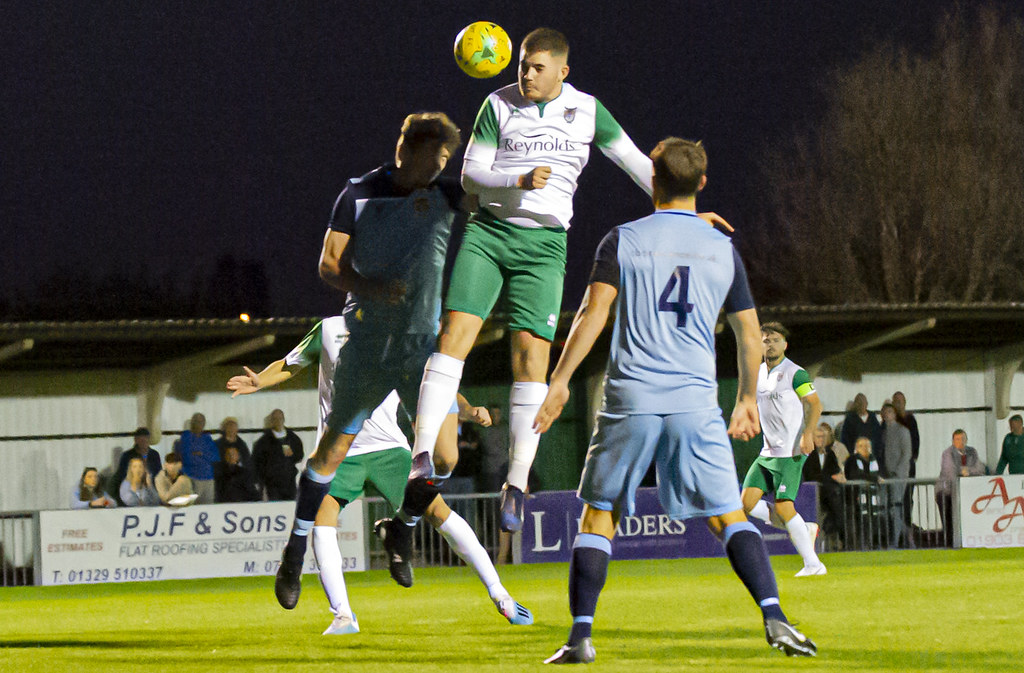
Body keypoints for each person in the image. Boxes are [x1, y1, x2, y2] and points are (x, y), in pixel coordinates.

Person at [409, 28, 732, 534]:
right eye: (522, 65)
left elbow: (635, 163)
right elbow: (471, 176)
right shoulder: (497, 105)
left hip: (544, 246)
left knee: (531, 357)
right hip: (488, 234)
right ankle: (422, 457)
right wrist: (516, 180)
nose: (526, 74)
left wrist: (687, 214)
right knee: (453, 337)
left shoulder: (587, 110)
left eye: (537, 67)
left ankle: (516, 482)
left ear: (563, 70)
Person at [533, 138, 815, 662]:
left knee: (599, 517)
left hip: (632, 397)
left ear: (653, 180)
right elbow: (751, 336)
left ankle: (580, 638)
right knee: (730, 515)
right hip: (695, 401)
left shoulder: (623, 239)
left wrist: (560, 378)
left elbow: (593, 315)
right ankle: (775, 617)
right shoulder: (721, 248)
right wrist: (748, 397)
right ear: (701, 184)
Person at [227, 316, 532, 631]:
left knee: (439, 512)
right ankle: (343, 615)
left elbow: (436, 384)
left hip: (388, 449)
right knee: (323, 521)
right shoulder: (330, 329)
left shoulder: (401, 334)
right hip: (339, 449)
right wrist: (260, 380)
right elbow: (292, 362)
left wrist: (467, 411)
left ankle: (501, 596)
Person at [274, 112, 467, 601]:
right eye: (439, 156)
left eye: (448, 159)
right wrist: (370, 288)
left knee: (445, 457)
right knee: (331, 454)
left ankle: (400, 526)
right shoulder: (358, 193)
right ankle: (295, 549)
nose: (443, 165)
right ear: (414, 149)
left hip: (421, 351)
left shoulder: (447, 194)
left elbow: (497, 200)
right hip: (368, 347)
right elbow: (328, 265)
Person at [740, 321, 825, 576]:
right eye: (765, 339)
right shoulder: (759, 374)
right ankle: (804, 527)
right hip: (767, 453)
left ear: (785, 345)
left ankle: (813, 564)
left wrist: (808, 434)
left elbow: (815, 404)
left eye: (775, 339)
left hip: (790, 452)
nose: (770, 343)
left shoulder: (795, 373)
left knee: (784, 507)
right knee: (745, 503)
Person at [935, 429, 986, 546]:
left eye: (963, 439)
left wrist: (968, 470)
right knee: (949, 520)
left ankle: (964, 543)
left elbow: (980, 468)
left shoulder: (972, 452)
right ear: (953, 441)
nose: (961, 442)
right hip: (946, 492)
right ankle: (949, 545)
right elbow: (949, 471)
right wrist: (962, 471)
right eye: (957, 439)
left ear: (966, 440)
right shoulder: (947, 453)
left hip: (965, 492)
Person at [802, 423, 846, 547]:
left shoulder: (830, 453)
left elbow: (835, 470)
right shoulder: (808, 454)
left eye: (823, 437)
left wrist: (838, 476)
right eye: (818, 437)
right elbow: (811, 474)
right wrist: (831, 477)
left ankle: (837, 539)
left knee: (836, 511)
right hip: (813, 494)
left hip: (828, 493)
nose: (821, 439)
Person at [252, 409, 304, 500]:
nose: (278, 421)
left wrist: (293, 454)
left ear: (284, 420)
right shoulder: (263, 441)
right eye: (275, 419)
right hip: (272, 485)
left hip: (289, 482)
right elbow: (257, 462)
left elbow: (300, 456)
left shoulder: (293, 438)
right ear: (271, 421)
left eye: (280, 418)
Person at [879, 403, 911, 547]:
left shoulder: (903, 431)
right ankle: (907, 537)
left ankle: (897, 540)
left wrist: (898, 472)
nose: (887, 415)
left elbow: (906, 454)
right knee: (886, 509)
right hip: (885, 476)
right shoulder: (883, 432)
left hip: (898, 476)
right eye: (885, 412)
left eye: (890, 412)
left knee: (895, 509)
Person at [843, 437, 882, 550]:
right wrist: (873, 478)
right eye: (861, 446)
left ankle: (869, 545)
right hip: (854, 498)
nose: (865, 448)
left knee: (870, 522)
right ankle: (855, 547)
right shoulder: (851, 460)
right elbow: (854, 475)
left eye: (867, 446)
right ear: (856, 448)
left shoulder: (874, 460)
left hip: (871, 498)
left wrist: (872, 479)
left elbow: (877, 474)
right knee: (856, 523)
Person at [111, 427, 162, 506]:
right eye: (141, 440)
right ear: (136, 440)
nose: (143, 442)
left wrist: (150, 484)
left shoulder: (154, 454)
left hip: (150, 487)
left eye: (145, 439)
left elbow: (158, 473)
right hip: (133, 487)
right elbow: (121, 475)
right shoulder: (127, 455)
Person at [176, 413, 220, 504]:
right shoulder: (186, 438)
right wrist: (205, 456)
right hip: (192, 477)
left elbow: (216, 457)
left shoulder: (207, 438)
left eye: (202, 422)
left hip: (208, 478)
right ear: (192, 423)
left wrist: (201, 454)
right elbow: (188, 459)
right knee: (193, 507)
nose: (200, 424)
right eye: (197, 421)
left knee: (209, 507)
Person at [891, 391, 920, 526]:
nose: (898, 404)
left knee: (908, 497)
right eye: (896, 401)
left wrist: (911, 458)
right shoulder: (890, 422)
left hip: (908, 465)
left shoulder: (911, 420)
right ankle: (896, 526)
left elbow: (916, 441)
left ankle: (907, 526)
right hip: (893, 466)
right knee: (895, 498)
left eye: (900, 401)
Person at [840, 393, 883, 474]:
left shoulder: (872, 418)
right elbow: (845, 439)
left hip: (872, 458)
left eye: (863, 402)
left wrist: (877, 453)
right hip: (855, 459)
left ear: (867, 404)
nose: (861, 405)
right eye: (858, 403)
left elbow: (878, 437)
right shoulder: (850, 419)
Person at [477, 404, 509, 493]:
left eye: (498, 414)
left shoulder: (505, 428)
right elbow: (488, 448)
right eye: (493, 414)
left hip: (505, 466)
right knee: (493, 495)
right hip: (491, 469)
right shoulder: (484, 429)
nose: (496, 416)